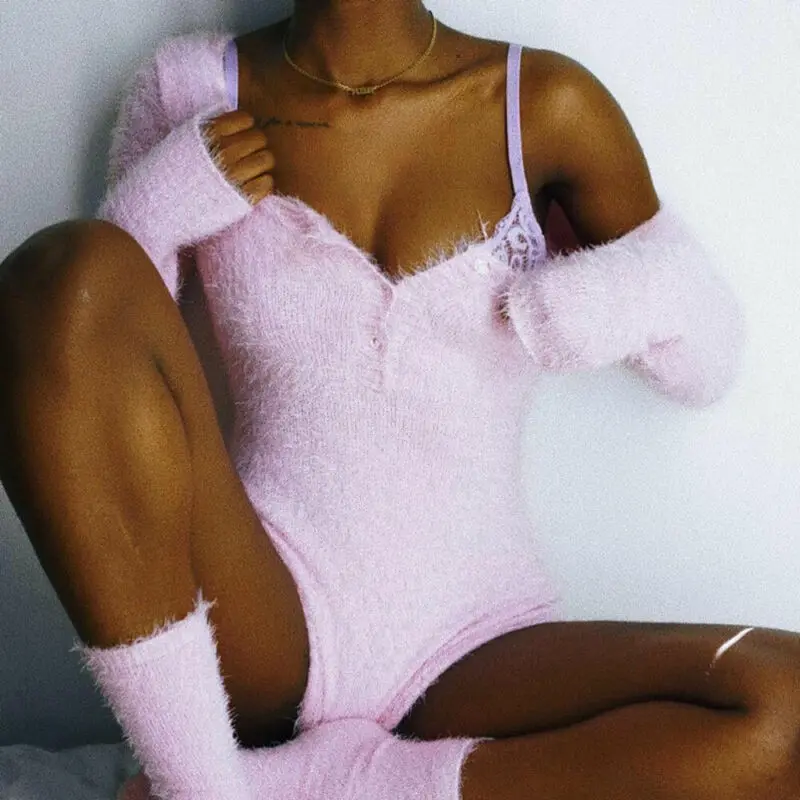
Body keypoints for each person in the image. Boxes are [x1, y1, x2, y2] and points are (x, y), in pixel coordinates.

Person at [0, 1, 798, 799]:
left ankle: (311, 785)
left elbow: (708, 362)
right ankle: (201, 786)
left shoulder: (545, 105)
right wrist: (147, 215)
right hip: (268, 617)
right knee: (59, 273)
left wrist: (613, 298)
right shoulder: (191, 89)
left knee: (789, 706)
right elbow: (95, 375)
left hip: (478, 640)